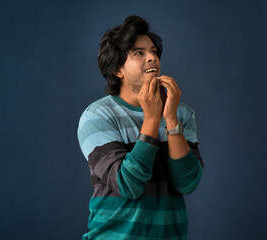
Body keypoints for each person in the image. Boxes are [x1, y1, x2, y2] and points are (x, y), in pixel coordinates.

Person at [77, 15, 203, 240]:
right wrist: (152, 120)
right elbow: (128, 185)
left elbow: (187, 183)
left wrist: (171, 119)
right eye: (139, 53)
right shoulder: (97, 116)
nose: (152, 58)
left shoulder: (182, 113)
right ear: (117, 69)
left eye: (153, 51)